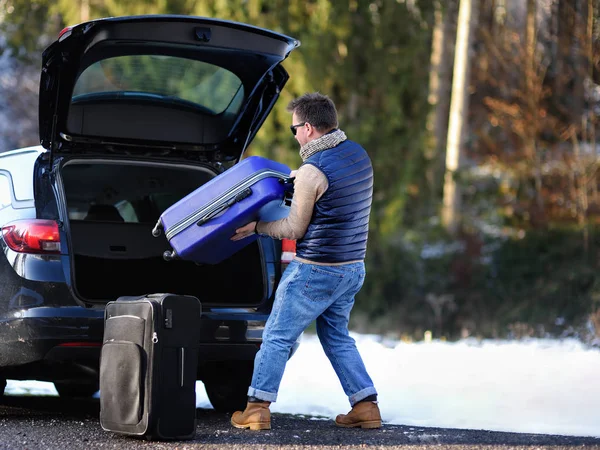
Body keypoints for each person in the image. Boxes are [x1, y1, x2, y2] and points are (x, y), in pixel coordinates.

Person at [230, 92, 380, 431]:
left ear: (309, 128)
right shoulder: (357, 155)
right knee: (337, 336)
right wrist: (304, 180)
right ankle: (366, 406)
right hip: (352, 267)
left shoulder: (313, 171)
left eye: (295, 128)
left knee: (277, 336)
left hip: (315, 270)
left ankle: (256, 408)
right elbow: (333, 189)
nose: (295, 135)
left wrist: (257, 226)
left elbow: (294, 228)